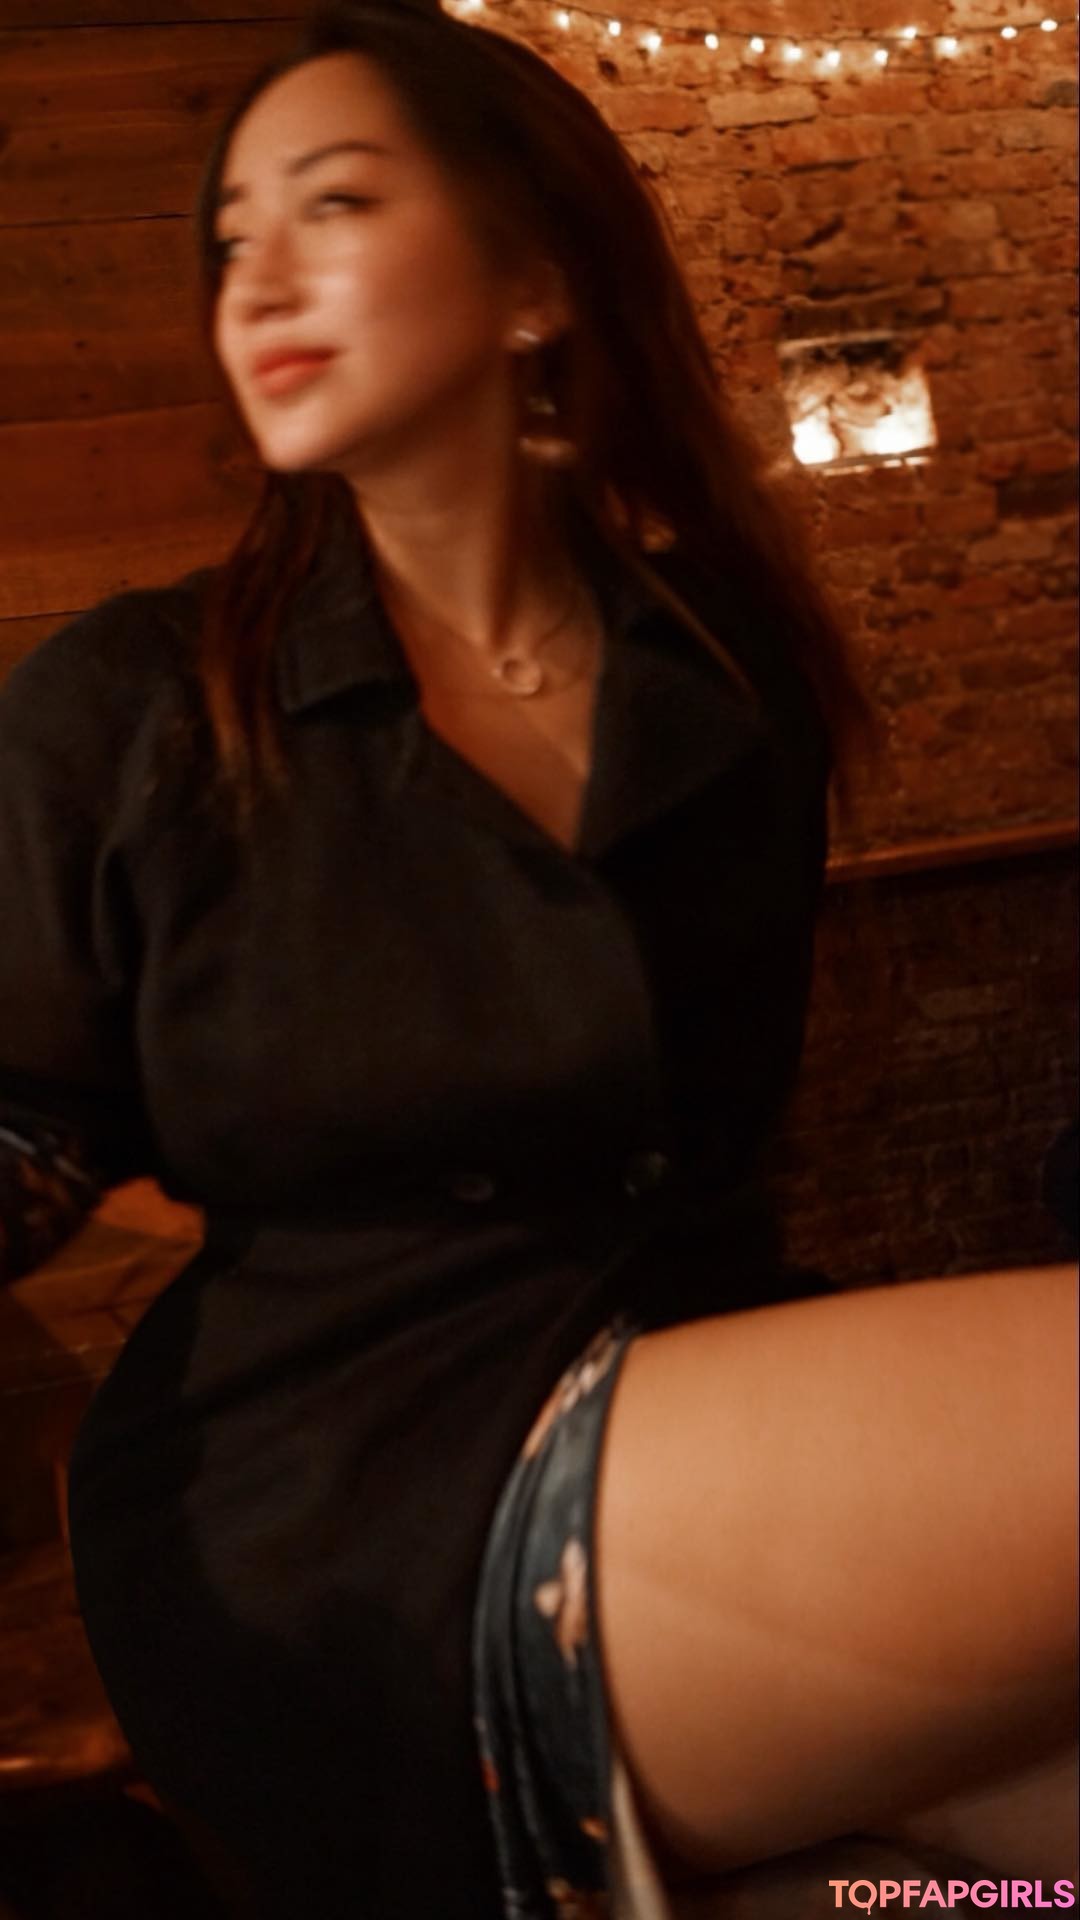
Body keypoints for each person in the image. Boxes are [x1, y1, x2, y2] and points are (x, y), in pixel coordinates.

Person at [0, 3, 1075, 1916]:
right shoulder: (136, 708)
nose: (260, 279)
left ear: (533, 277)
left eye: (335, 203)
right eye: (232, 237)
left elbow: (709, 1161)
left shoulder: (721, 670)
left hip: (688, 1405)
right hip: (344, 1515)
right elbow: (18, 1128)